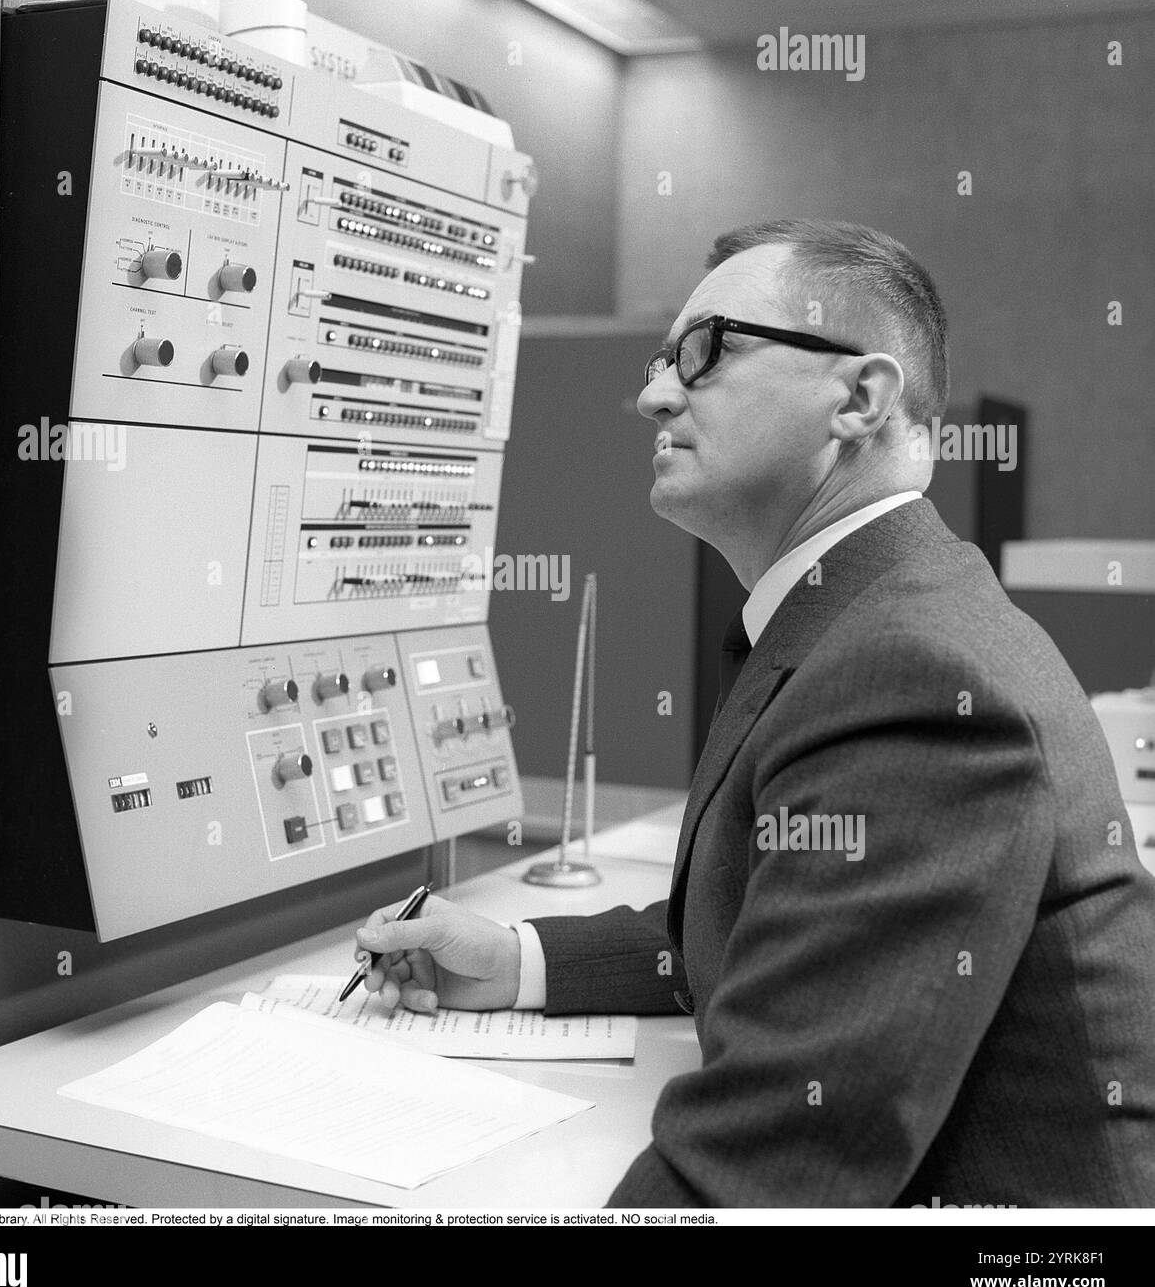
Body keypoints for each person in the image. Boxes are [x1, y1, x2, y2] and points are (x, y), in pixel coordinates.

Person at [354, 219, 1155, 1207]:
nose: (652, 393)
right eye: (660, 358)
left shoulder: (916, 671)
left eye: (708, 352)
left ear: (859, 399)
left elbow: (772, 1163)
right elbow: (782, 919)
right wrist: (515, 959)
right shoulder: (866, 614)